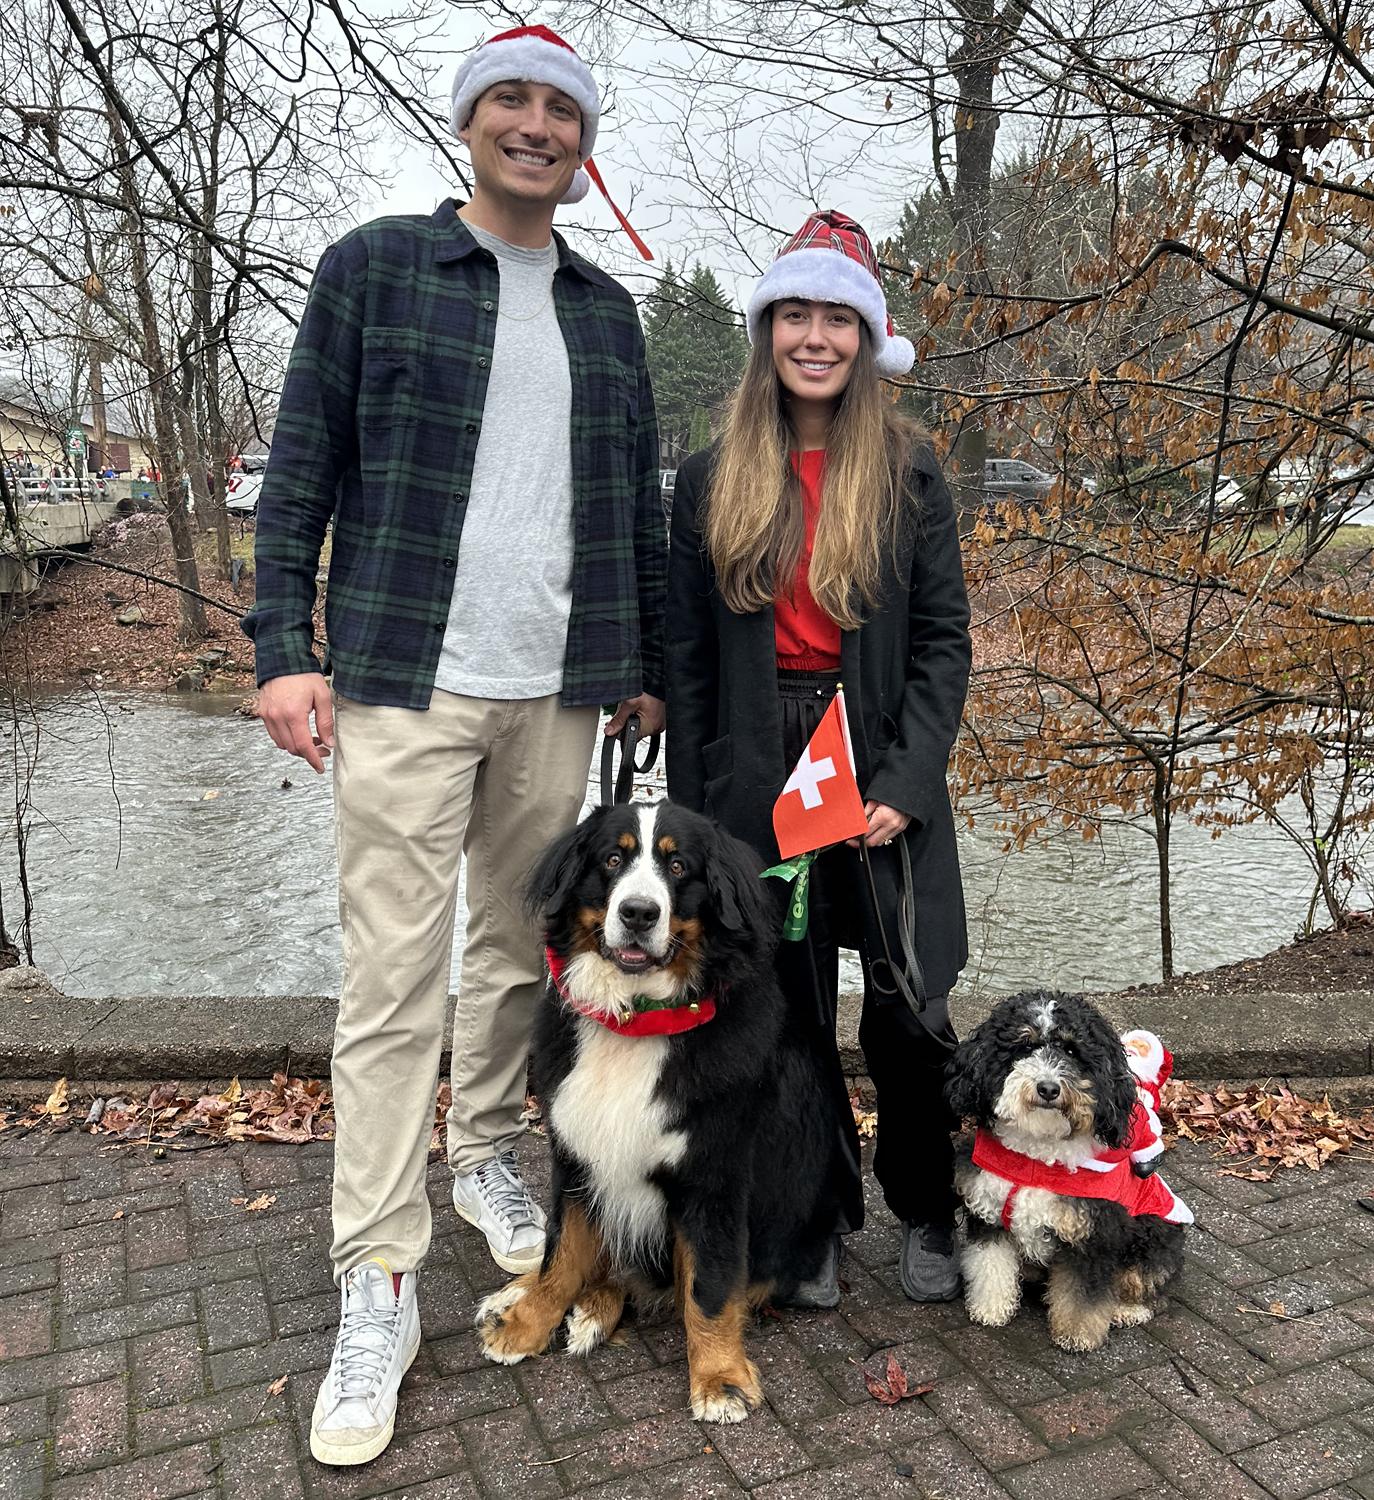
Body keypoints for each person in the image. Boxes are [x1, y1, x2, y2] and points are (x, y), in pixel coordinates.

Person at [242, 24, 665, 1467]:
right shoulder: (374, 268)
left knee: (514, 949)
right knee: (389, 980)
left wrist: (645, 669)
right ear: (472, 122)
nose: (536, 126)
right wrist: (283, 652)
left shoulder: (610, 314)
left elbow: (634, 513)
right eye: (512, 103)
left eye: (561, 108)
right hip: (405, 677)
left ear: (584, 138)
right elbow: (300, 468)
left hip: (558, 690)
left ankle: (485, 1147)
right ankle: (377, 1272)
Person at [665, 210, 972, 1305]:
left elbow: (943, 643)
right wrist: (700, 817)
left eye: (836, 318)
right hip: (756, 759)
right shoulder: (710, 477)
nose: (814, 336)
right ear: (767, 331)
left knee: (904, 1001)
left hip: (873, 754)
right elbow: (688, 652)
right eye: (795, 313)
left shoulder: (910, 474)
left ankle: (929, 1208)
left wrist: (906, 780)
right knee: (780, 1013)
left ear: (865, 338)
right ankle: (810, 1220)